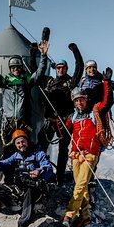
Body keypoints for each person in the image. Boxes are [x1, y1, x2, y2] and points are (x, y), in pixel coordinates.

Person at [0, 41, 49, 171]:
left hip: (23, 122)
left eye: (18, 67)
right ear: (10, 69)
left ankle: (29, 174)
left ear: (21, 67)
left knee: (27, 149)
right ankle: (9, 180)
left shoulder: (27, 80)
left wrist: (43, 56)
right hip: (8, 123)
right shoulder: (5, 81)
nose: (15, 69)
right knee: (8, 151)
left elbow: (40, 72)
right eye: (13, 67)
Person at [62, 69, 113, 227]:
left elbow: (107, 102)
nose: (79, 103)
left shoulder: (94, 111)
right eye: (76, 100)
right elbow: (64, 131)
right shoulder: (74, 116)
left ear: (86, 99)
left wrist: (106, 83)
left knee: (79, 185)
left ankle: (68, 215)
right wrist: (59, 121)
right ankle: (85, 217)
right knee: (82, 188)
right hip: (76, 155)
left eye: (81, 99)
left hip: (90, 154)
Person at [37, 42, 84, 186]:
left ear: (66, 68)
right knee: (42, 146)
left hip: (65, 120)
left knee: (63, 149)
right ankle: (43, 171)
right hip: (50, 119)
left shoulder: (70, 82)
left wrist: (75, 51)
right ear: (56, 69)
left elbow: (80, 68)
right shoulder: (49, 82)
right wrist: (37, 54)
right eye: (58, 67)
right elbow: (37, 73)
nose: (60, 69)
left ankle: (60, 176)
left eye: (63, 67)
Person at [0, 130, 53, 227]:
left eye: (23, 141)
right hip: (20, 187)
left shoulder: (38, 153)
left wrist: (39, 171)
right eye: (18, 143)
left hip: (36, 189)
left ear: (27, 141)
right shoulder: (16, 155)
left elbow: (48, 168)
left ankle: (24, 220)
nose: (21, 144)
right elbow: (5, 163)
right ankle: (20, 208)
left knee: (29, 190)